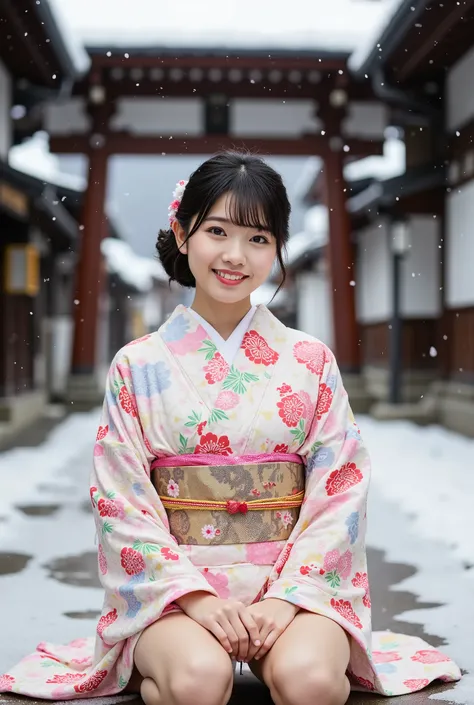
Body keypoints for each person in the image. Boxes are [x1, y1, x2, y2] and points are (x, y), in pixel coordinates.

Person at [0, 152, 461, 704]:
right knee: (198, 681)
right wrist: (194, 597)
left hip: (295, 593)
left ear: (278, 248)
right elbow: (120, 501)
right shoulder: (137, 365)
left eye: (259, 239)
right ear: (182, 231)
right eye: (217, 231)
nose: (235, 255)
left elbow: (341, 491)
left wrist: (285, 598)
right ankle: (163, 671)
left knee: (311, 682)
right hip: (174, 597)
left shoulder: (310, 361)